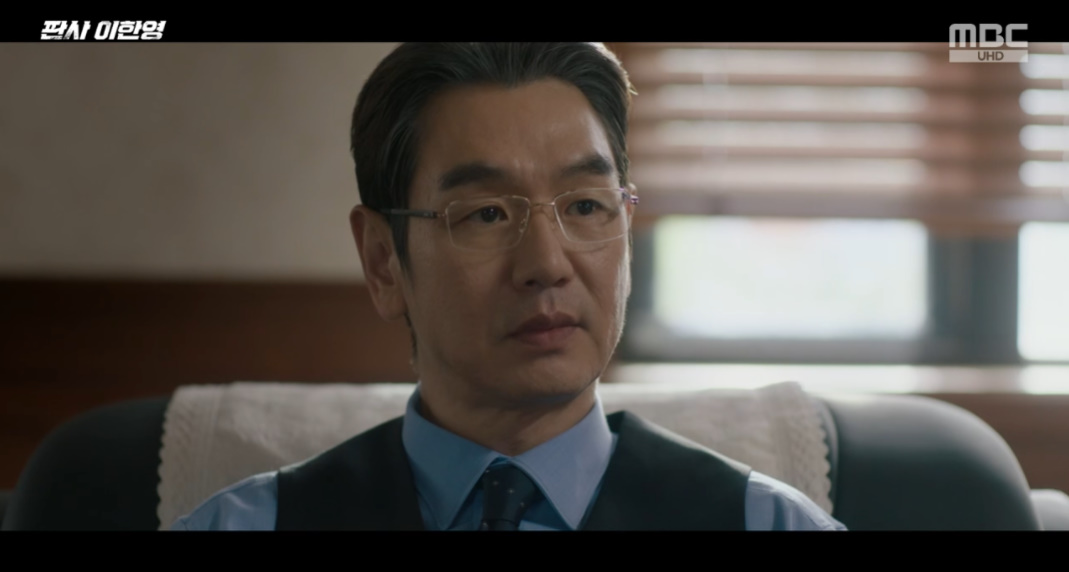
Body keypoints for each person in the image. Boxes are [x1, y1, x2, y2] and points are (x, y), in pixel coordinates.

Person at [172, 42, 846, 531]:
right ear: (383, 262)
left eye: (586, 205)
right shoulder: (249, 524)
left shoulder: (763, 522)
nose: (546, 263)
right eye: (487, 214)